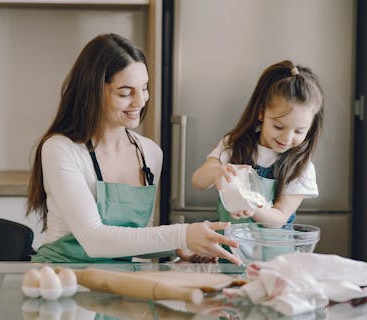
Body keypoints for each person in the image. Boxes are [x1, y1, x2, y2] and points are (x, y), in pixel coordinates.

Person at [26, 33, 239, 264]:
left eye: (144, 88)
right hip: (61, 278)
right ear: (94, 91)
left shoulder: (150, 154)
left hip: (116, 281)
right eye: (126, 92)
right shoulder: (60, 149)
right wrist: (182, 235)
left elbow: (134, 239)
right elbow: (94, 239)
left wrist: (180, 247)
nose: (140, 101)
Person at [192, 60, 323, 225]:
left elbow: (279, 219)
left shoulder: (301, 167)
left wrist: (253, 209)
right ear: (262, 113)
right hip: (229, 247)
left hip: (274, 250)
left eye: (299, 131)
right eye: (279, 126)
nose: (287, 138)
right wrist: (218, 171)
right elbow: (198, 180)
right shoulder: (235, 145)